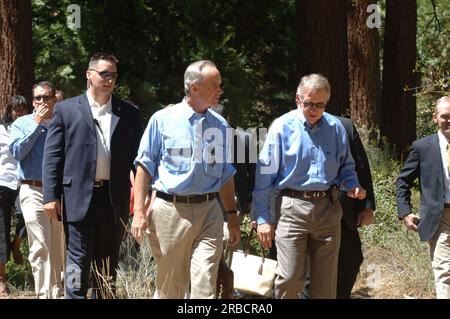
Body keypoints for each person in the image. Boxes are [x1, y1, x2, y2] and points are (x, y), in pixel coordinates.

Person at [131, 60, 240, 299]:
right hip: (170, 211)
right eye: (214, 85)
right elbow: (144, 167)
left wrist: (232, 217)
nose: (220, 90)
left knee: (205, 283)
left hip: (209, 211)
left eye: (220, 84)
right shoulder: (162, 120)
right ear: (194, 88)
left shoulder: (220, 125)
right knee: (172, 286)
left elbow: (225, 174)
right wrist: (139, 212)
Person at [252, 73, 366, 299]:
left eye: (320, 105)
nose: (314, 109)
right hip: (292, 208)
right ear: (297, 99)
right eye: (309, 104)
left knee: (325, 285)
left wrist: (353, 185)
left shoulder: (336, 128)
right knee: (290, 277)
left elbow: (346, 167)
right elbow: (264, 176)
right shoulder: (282, 127)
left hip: (328, 209)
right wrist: (263, 218)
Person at [42, 52, 143, 299]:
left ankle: (104, 296)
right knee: (78, 257)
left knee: (107, 261)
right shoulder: (66, 110)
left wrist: (143, 199)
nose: (109, 80)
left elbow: (139, 160)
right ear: (89, 75)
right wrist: (50, 196)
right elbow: (53, 156)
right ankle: (75, 296)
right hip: (77, 197)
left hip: (113, 199)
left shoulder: (128, 113)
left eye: (113, 75)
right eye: (104, 73)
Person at [9, 83, 65, 299]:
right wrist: (37, 124)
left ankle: (58, 291)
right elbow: (17, 152)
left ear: (54, 99)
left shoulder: (63, 123)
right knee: (40, 245)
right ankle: (44, 295)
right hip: (32, 189)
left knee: (59, 245)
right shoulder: (22, 123)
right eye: (38, 98)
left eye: (46, 97)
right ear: (33, 102)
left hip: (60, 192)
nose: (42, 102)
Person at [396, 96, 450, 299]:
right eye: (445, 116)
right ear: (435, 118)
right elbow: (403, 181)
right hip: (441, 217)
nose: (449, 121)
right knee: (444, 270)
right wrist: (405, 213)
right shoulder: (423, 147)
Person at [334, 116, 375, 298]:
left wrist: (367, 206)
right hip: (303, 213)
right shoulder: (285, 125)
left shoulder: (344, 126)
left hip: (343, 211)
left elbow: (361, 167)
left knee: (351, 260)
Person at [209, 104, 256, 266]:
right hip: (210, 202)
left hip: (235, 201)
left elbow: (253, 171)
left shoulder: (244, 139)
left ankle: (227, 282)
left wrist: (251, 199)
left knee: (230, 240)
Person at [0, 95, 29, 297]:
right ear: (9, 111)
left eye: (22, 109)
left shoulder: (31, 128)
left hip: (24, 183)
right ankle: (1, 280)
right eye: (15, 109)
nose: (19, 113)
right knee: (1, 230)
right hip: (1, 182)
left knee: (26, 218)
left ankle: (16, 245)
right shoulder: (1, 130)